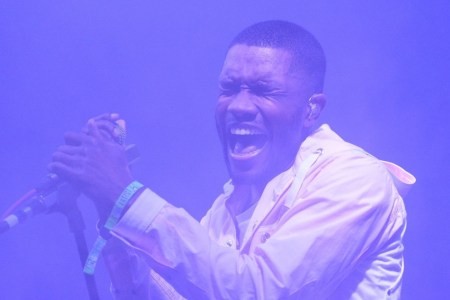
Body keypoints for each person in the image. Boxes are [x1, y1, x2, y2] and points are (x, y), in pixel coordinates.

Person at [50, 20, 415, 299]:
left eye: (262, 90)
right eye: (228, 88)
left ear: (311, 109)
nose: (238, 106)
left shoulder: (355, 179)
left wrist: (125, 196)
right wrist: (109, 207)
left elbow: (258, 291)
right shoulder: (227, 210)